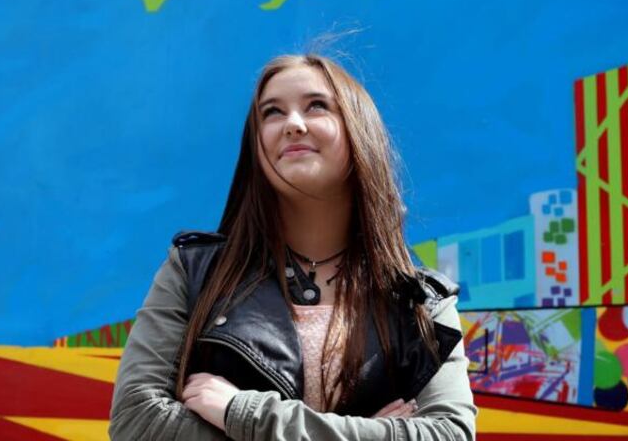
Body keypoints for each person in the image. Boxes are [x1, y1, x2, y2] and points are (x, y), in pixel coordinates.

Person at [110, 54, 477, 440]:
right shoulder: (194, 272)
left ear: (358, 128)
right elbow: (137, 423)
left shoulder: (420, 301)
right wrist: (374, 432)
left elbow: (449, 434)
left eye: (316, 106)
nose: (293, 125)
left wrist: (245, 414)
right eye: (272, 112)